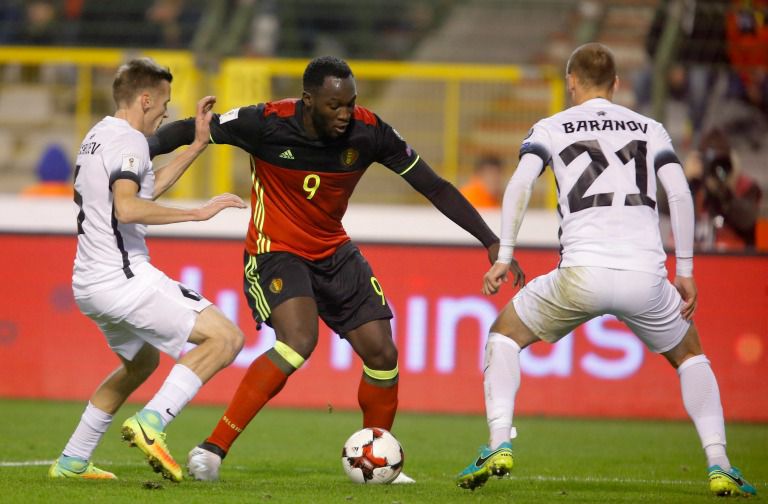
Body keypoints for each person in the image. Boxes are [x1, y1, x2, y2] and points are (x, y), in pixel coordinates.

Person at [148, 55, 504, 483]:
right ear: (308, 100)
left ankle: (378, 454)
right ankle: (212, 449)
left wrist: (491, 240)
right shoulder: (266, 122)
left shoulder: (369, 132)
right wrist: (137, 148)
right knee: (299, 340)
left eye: (350, 104)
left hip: (332, 250)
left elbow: (434, 186)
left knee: (383, 353)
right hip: (274, 250)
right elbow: (192, 128)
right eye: (335, 105)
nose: (345, 114)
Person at [455, 43, 757, 498]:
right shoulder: (650, 127)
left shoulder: (551, 126)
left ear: (571, 83)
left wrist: (505, 254)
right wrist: (687, 269)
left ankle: (498, 443)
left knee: (503, 336)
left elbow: (519, 182)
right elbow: (677, 192)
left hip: (581, 273)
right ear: (617, 85)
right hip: (646, 275)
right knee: (691, 355)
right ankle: (720, 464)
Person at [48, 58, 246, 482]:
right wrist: (198, 214)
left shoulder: (98, 135)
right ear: (144, 98)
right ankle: (152, 422)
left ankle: (72, 461)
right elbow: (128, 206)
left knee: (140, 365)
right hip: (122, 277)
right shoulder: (132, 141)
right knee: (227, 338)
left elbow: (145, 185)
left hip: (89, 282)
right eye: (164, 104)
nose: (165, 113)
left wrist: (195, 146)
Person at [684, 128, 762, 250]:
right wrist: (683, 182)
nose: (715, 168)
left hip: (736, 263)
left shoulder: (746, 187)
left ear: (732, 160)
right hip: (695, 261)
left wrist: (725, 192)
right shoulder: (692, 186)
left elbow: (747, 220)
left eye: (721, 162)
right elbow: (662, 208)